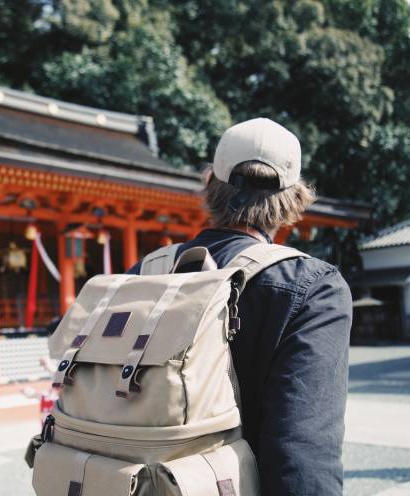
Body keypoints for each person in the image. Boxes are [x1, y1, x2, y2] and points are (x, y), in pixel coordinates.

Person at [128, 118, 352, 495]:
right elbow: (301, 451)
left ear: (210, 185)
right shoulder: (314, 286)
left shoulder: (146, 272)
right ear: (295, 196)